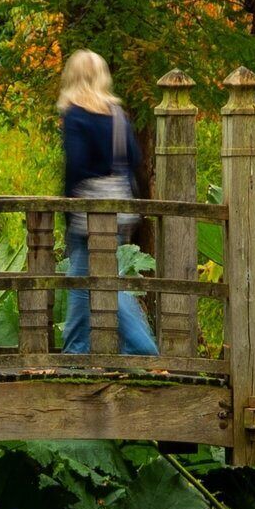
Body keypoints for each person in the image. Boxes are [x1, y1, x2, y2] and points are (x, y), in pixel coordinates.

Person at [56, 51, 159, 355]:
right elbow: (134, 160)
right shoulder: (117, 114)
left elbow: (75, 167)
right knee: (83, 276)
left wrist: (68, 209)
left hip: (89, 210)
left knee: (100, 280)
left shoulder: (75, 115)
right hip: (120, 207)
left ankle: (141, 347)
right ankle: (75, 350)